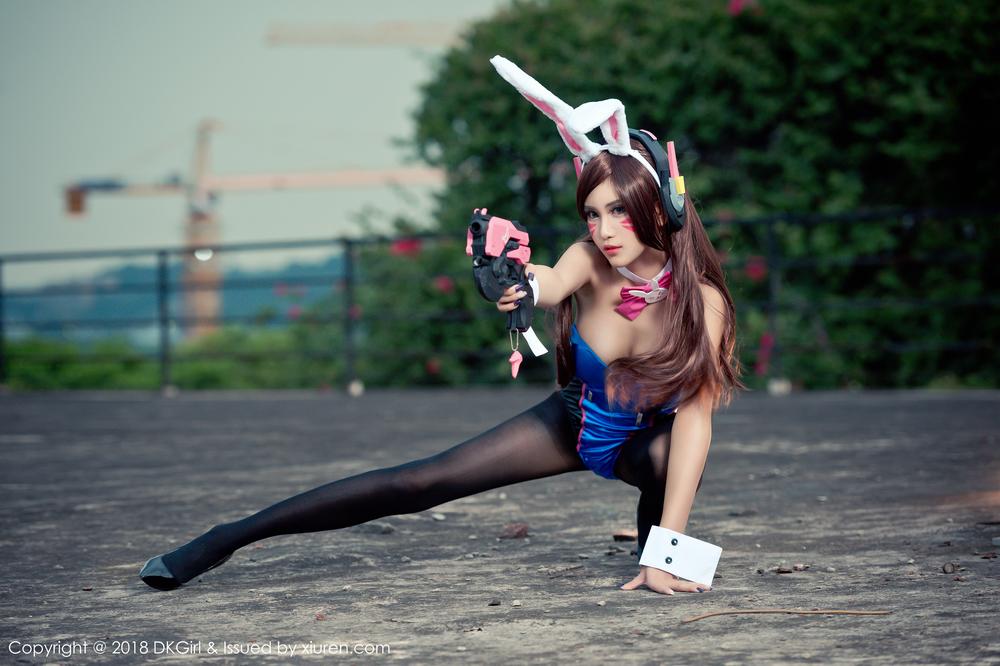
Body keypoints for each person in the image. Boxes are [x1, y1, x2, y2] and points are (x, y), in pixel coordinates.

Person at [139, 57, 743, 597]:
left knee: (666, 457)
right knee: (421, 481)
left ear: (661, 206)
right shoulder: (587, 259)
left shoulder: (703, 303)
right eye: (592, 213)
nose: (604, 230)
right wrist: (510, 279)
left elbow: (696, 425)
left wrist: (666, 553)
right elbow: (546, 283)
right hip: (576, 420)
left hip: (647, 445)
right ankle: (228, 536)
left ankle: (654, 556)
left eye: (618, 211)